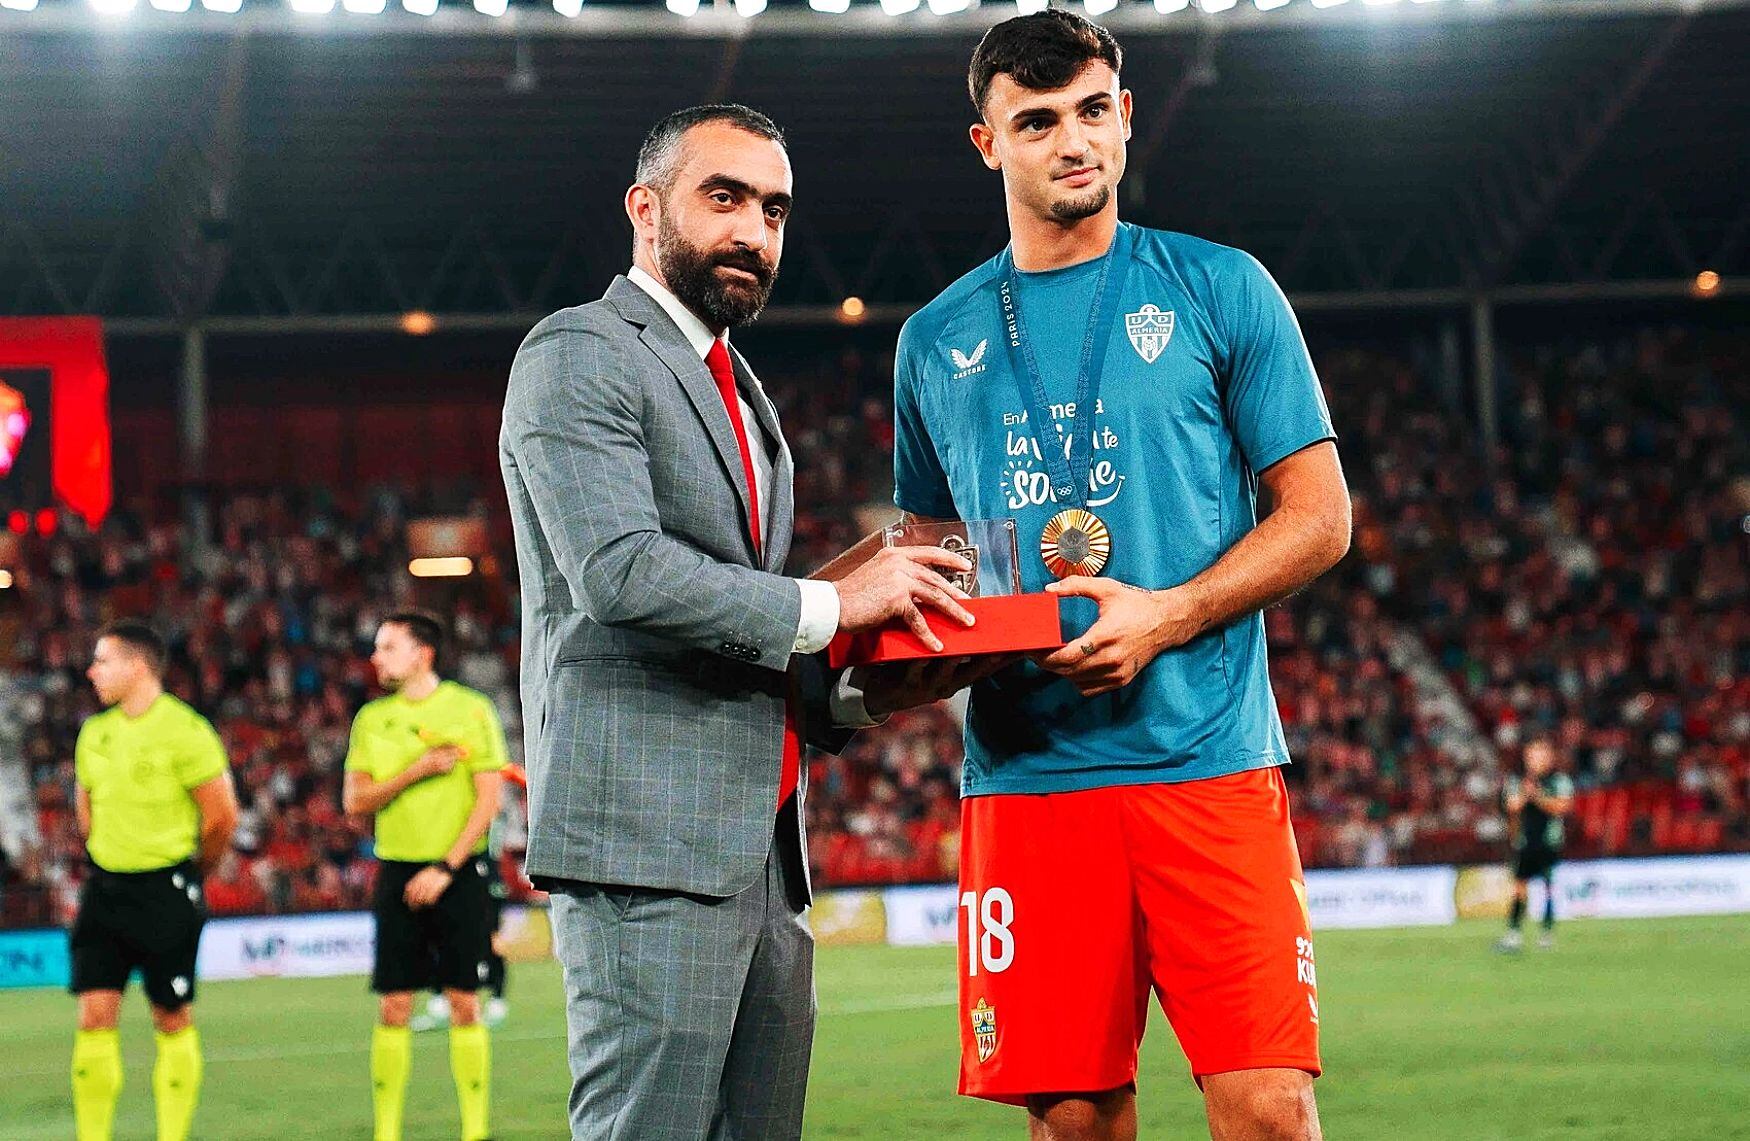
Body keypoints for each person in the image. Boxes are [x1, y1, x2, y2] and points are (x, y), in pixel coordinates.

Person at [888, 13, 1351, 1140]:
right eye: (1037, 121)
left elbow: (1321, 517)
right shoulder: (933, 337)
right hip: (1028, 775)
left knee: (1270, 1110)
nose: (1073, 141)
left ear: (1126, 115)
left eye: (1093, 111)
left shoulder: (1218, 287)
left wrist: (1169, 613)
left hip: (1206, 758)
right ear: (986, 143)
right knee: (1074, 1123)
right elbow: (930, 560)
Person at [498, 103, 976, 1140]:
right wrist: (835, 602)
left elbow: (741, 628)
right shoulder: (578, 350)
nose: (753, 231)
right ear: (644, 206)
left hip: (761, 851)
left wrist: (865, 680)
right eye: (724, 198)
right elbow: (617, 573)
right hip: (647, 847)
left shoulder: (743, 393)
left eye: (773, 209)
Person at [69, 620, 239, 1141]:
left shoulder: (186, 730)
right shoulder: (94, 731)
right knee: (94, 1017)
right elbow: (86, 808)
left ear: (136, 667)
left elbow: (221, 818)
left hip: (164, 889)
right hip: (104, 891)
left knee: (170, 1016)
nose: (92, 671)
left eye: (103, 661)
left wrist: (193, 874)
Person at [342, 611, 506, 1141]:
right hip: (396, 869)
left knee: (463, 1000)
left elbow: (488, 801)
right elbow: (355, 801)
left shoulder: (470, 709)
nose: (376, 657)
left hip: (457, 870)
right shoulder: (371, 720)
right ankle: (386, 1133)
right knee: (393, 1004)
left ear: (422, 654)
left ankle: (474, 1132)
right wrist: (416, 769)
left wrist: (444, 867)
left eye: (388, 647)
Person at [1496, 738, 1574, 953]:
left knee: (1548, 887)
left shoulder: (1558, 780)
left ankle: (1546, 934)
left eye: (1541, 754)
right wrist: (1525, 794)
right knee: (1519, 888)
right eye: (1532, 754)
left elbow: (1562, 807)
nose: (1536, 759)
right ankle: (1514, 934)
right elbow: (1511, 805)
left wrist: (1537, 796)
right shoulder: (1518, 780)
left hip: (1549, 842)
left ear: (1549, 757)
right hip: (1525, 842)